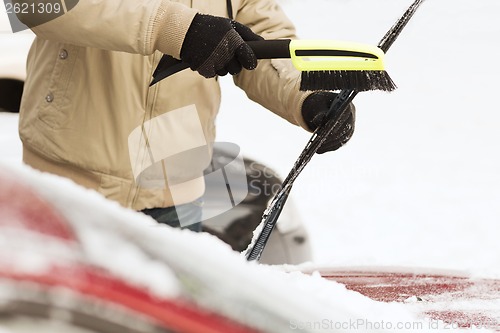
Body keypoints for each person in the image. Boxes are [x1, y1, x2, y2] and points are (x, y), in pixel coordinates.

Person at [14, 0, 355, 231]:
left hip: (175, 194)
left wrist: (307, 94)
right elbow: (34, 7)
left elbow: (258, 30)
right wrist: (174, 28)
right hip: (66, 185)